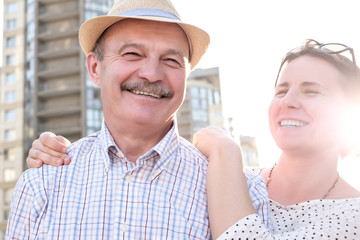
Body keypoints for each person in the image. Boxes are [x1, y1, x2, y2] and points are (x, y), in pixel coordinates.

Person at [6, 0, 268, 239]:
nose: (152, 73)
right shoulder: (41, 185)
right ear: (95, 68)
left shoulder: (243, 193)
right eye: (132, 54)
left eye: (171, 60)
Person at [194, 39, 360, 239]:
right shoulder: (235, 179)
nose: (287, 101)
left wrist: (226, 150)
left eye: (311, 91)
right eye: (281, 91)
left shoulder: (353, 213)